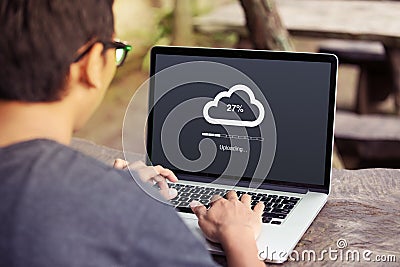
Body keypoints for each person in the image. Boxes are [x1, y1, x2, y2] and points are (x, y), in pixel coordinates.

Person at [0, 1, 265, 266]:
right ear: (92, 64)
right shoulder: (130, 215)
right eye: (116, 51)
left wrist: (111, 189)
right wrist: (239, 235)